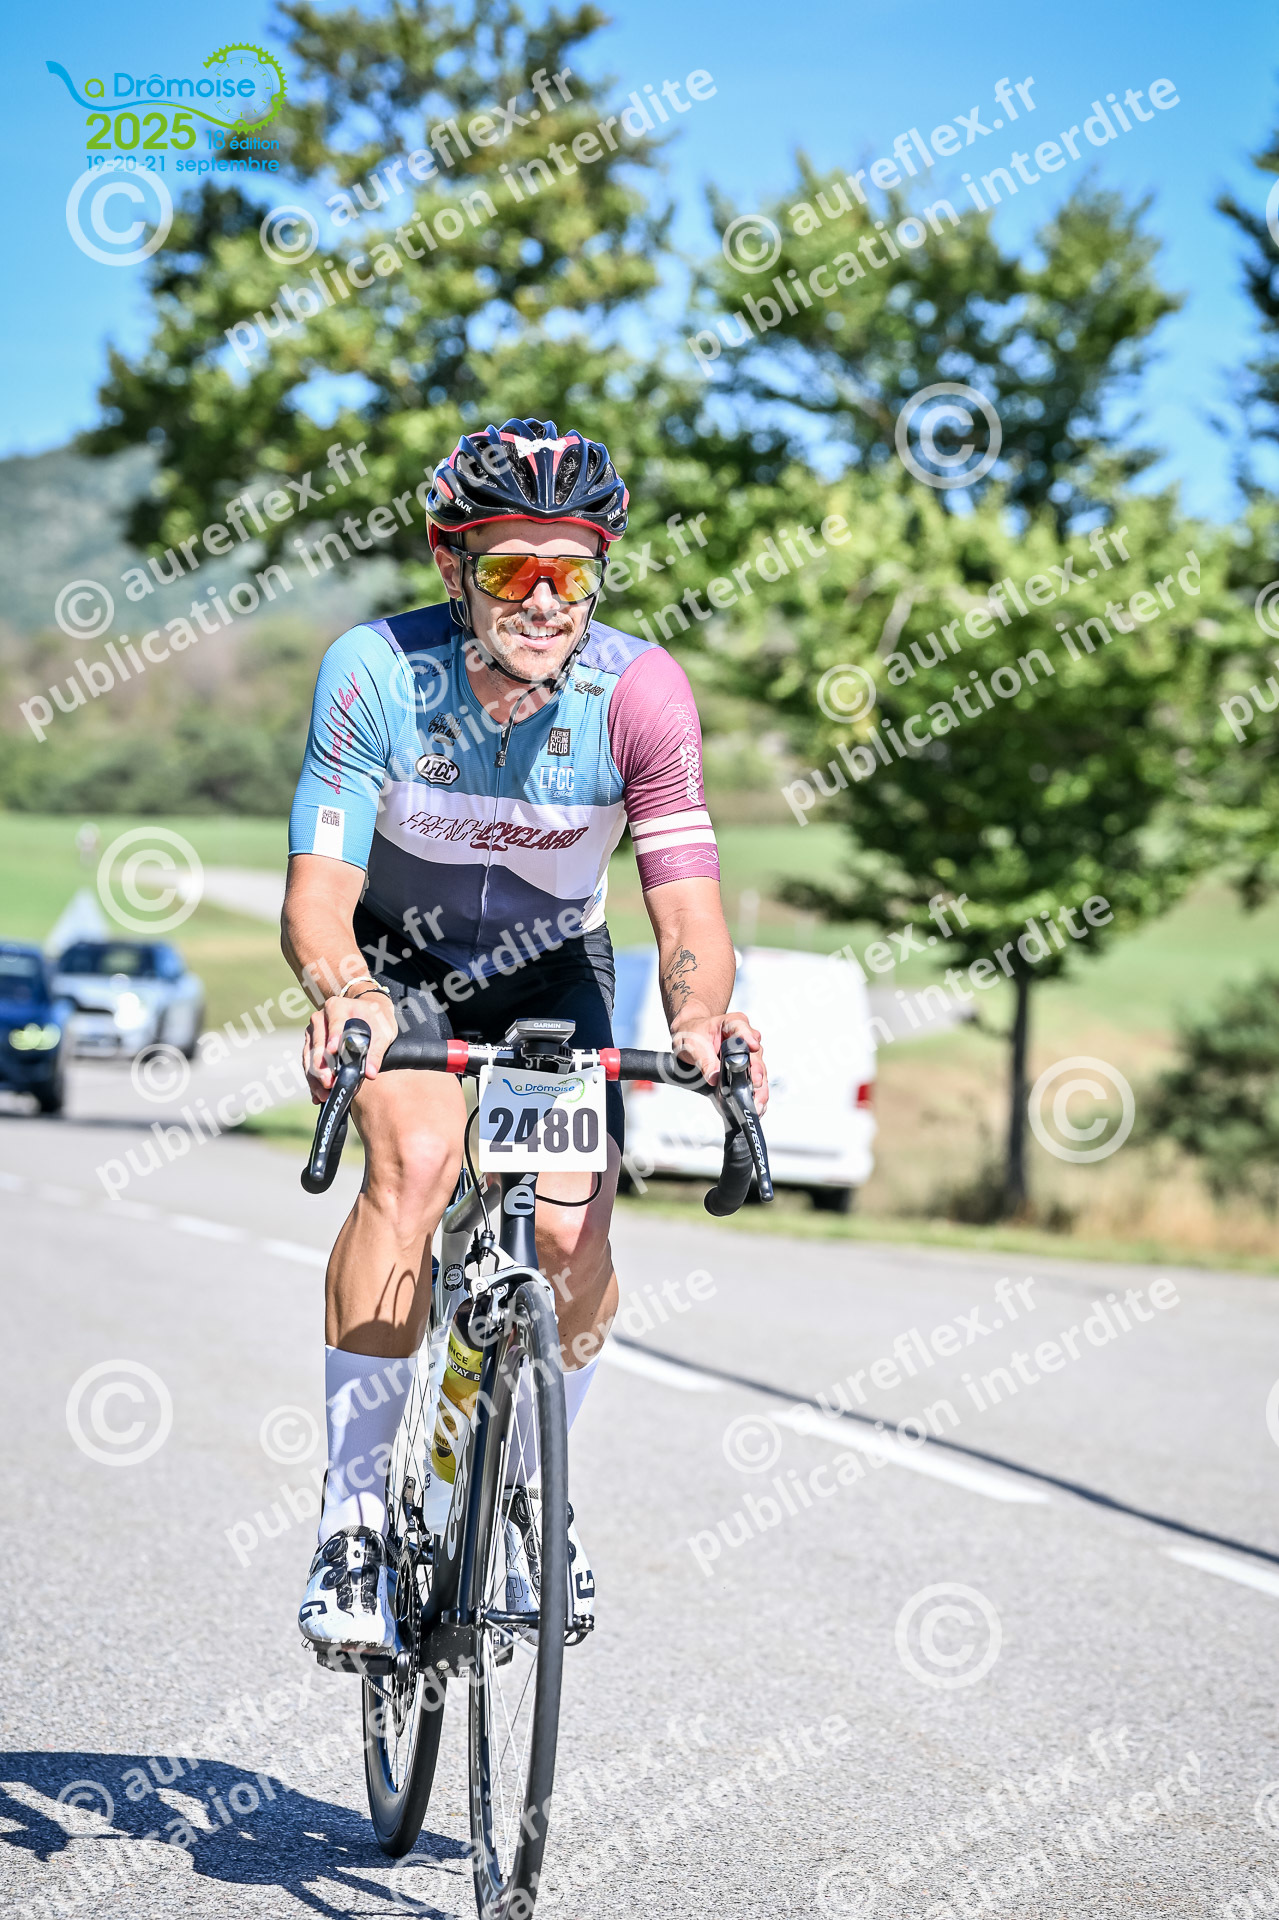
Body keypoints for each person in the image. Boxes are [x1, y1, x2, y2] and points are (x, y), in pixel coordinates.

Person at [283, 418, 767, 1652]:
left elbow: (686, 908)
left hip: (553, 970)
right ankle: (353, 1523)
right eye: (510, 569)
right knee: (414, 1164)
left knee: (566, 1232)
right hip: (399, 966)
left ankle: (534, 1493)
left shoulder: (640, 694)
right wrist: (343, 988)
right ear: (453, 566)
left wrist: (701, 1017)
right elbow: (319, 893)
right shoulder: (377, 671)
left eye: (572, 570)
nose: (544, 599)